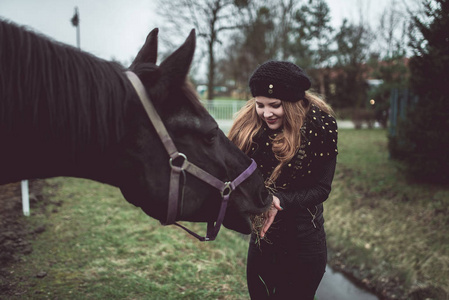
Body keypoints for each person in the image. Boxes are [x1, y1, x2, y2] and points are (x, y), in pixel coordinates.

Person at [228, 61, 338, 299]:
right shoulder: (249, 129)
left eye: (275, 105)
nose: (266, 113)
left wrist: (278, 199)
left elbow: (321, 188)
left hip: (305, 239)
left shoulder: (322, 127)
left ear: (292, 103)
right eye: (260, 105)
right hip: (264, 238)